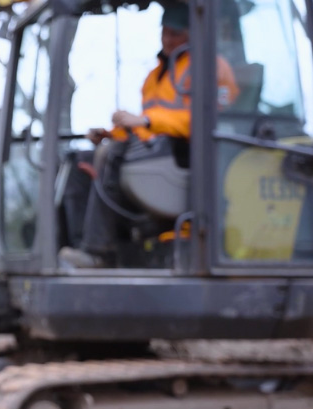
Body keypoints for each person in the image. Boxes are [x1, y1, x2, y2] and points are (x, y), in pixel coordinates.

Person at [59, 2, 238, 268]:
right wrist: (111, 132)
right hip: (156, 144)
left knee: (113, 155)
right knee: (81, 159)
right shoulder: (156, 75)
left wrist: (144, 120)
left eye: (175, 33)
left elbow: (207, 120)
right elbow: (146, 124)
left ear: (193, 32)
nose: (167, 39)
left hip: (190, 152)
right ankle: (80, 245)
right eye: (164, 31)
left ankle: (99, 252)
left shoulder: (210, 66)